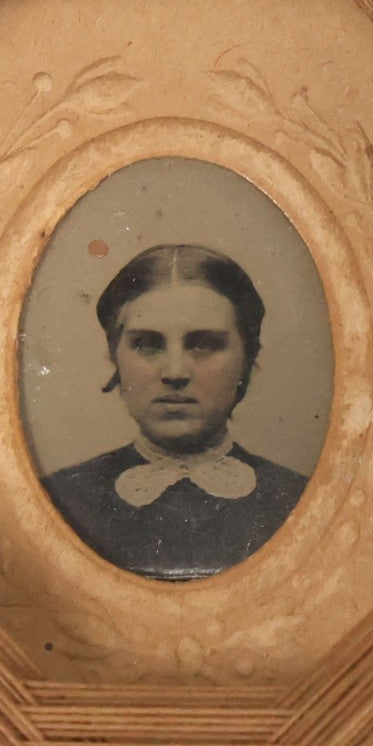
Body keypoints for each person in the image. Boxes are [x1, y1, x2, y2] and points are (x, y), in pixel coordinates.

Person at [41, 244, 308, 581]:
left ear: (246, 358)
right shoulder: (58, 501)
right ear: (115, 356)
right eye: (147, 344)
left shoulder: (299, 502)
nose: (175, 372)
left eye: (204, 344)